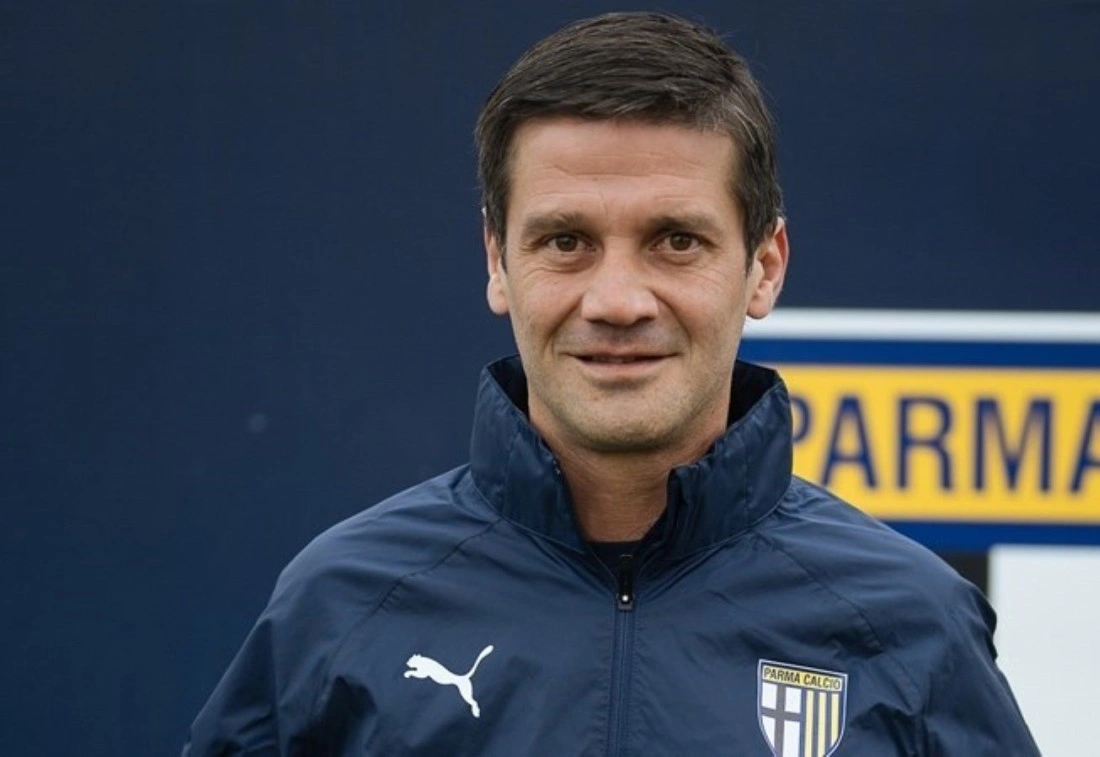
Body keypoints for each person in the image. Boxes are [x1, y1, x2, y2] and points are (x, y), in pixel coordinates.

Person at [184, 12, 1038, 756]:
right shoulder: (343, 602)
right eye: (566, 241)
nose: (618, 301)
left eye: (676, 240)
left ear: (765, 265)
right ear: (497, 261)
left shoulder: (907, 622)